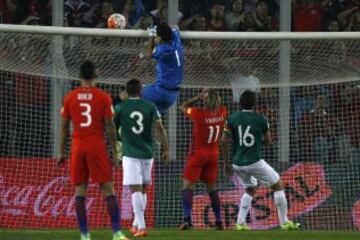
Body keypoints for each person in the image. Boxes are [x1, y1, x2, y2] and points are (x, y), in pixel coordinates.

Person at [56, 60, 129, 240]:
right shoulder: (103, 97)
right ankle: (117, 233)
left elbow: (64, 127)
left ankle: (84, 235)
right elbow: (111, 126)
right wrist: (115, 152)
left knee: (80, 190)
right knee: (108, 189)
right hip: (96, 146)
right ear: (96, 75)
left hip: (78, 147)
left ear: (80, 76)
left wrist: (61, 152)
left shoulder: (70, 97)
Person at [221, 90, 300, 231]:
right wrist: (259, 140)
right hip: (254, 162)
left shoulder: (231, 118)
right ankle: (285, 222)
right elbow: (269, 142)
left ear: (240, 103)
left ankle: (240, 223)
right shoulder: (261, 119)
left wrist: (226, 163)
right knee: (278, 185)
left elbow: (224, 141)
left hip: (237, 164)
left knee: (250, 189)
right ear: (255, 103)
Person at [114, 79, 169, 237]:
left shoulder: (120, 108)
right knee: (143, 189)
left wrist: (115, 150)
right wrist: (165, 149)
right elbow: (160, 128)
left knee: (135, 190)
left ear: (127, 91)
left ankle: (142, 227)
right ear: (140, 91)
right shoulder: (150, 106)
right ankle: (136, 224)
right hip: (147, 154)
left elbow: (113, 129)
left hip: (130, 154)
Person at [178, 89, 227, 230]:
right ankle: (218, 221)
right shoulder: (223, 112)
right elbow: (217, 106)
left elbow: (182, 107)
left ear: (204, 101)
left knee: (187, 186)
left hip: (198, 155)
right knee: (212, 188)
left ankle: (187, 219)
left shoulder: (198, 114)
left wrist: (196, 97)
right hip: (213, 154)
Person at [144, 21, 184, 114]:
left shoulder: (163, 50)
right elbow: (175, 27)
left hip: (161, 91)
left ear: (161, 38)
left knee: (130, 93)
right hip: (172, 96)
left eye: (157, 36)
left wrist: (151, 34)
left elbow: (149, 54)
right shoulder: (176, 41)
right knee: (153, 116)